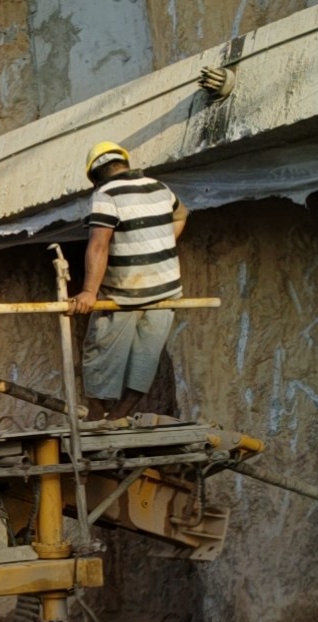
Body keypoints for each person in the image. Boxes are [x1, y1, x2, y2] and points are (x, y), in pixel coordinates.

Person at [69, 140, 189, 422]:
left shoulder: (105, 194)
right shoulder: (159, 187)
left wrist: (88, 292)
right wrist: (159, 244)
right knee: (146, 355)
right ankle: (120, 414)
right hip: (166, 290)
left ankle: (97, 415)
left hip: (125, 292)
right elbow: (182, 214)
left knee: (101, 350)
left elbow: (99, 245)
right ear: (124, 163)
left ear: (94, 176)